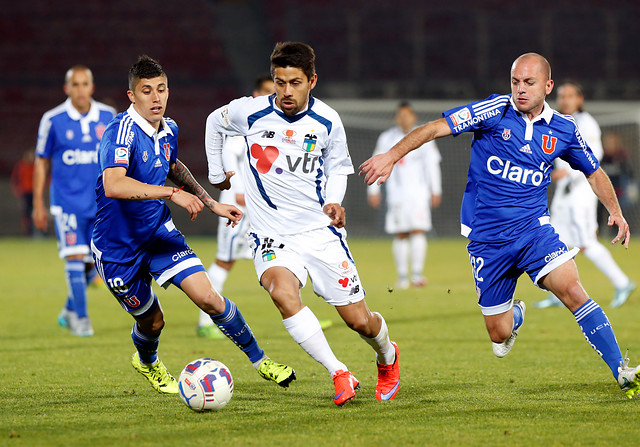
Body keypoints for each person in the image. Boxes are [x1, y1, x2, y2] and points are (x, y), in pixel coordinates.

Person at [360, 53, 640, 398]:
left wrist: (615, 210)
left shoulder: (565, 129)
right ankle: (515, 316)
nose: (520, 90)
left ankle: (622, 370)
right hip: (487, 239)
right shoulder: (493, 111)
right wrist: (390, 156)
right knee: (498, 334)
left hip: (533, 230)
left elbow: (594, 171)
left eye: (529, 83)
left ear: (547, 86)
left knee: (571, 288)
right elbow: (434, 128)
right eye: (515, 82)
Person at [206, 42, 400, 405]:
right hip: (270, 233)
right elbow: (213, 122)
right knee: (281, 292)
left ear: (312, 80)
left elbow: (339, 167)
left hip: (318, 233)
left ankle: (387, 355)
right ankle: (339, 372)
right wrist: (218, 174)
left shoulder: (327, 120)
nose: (285, 92)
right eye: (279, 83)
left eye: (294, 83)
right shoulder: (250, 112)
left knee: (359, 321)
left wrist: (333, 201)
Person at [91, 55, 295, 394]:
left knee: (210, 299)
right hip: (117, 247)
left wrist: (212, 203)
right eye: (146, 91)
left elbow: (172, 165)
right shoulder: (120, 132)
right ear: (132, 96)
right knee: (152, 321)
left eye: (161, 89)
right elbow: (114, 185)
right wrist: (172, 194)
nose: (156, 98)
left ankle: (261, 361)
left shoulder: (168, 128)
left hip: (158, 235)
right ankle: (148, 363)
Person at [198, 74, 333, 339]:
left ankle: (301, 312)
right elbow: (229, 156)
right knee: (225, 260)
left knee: (292, 258)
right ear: (255, 94)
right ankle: (205, 321)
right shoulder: (244, 125)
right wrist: (238, 192)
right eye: (268, 91)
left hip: (265, 209)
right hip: (239, 207)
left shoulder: (274, 128)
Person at [535, 81, 635, 309]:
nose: (565, 100)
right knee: (556, 240)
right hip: (564, 193)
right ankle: (558, 291)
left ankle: (622, 283)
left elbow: (593, 158)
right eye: (561, 96)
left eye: (570, 96)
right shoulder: (559, 121)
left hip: (581, 192)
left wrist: (565, 173)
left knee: (586, 242)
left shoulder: (587, 124)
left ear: (580, 99)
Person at [33, 65, 116, 336]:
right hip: (67, 204)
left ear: (92, 87)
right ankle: (81, 319)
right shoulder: (52, 119)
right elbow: (41, 162)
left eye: (85, 84)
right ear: (66, 88)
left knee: (97, 264)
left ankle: (69, 309)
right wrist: (38, 203)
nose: (80, 89)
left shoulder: (108, 115)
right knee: (74, 258)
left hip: (100, 204)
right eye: (75, 84)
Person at [367, 101, 442, 289]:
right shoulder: (386, 138)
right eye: (400, 115)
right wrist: (373, 190)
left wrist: (436, 190)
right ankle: (402, 277)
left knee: (418, 230)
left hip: (419, 194)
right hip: (396, 195)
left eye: (407, 114)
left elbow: (432, 165)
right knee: (400, 234)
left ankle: (417, 275)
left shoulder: (423, 135)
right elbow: (376, 163)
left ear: (414, 116)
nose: (404, 118)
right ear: (396, 118)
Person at [11, 148, 36, 237]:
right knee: (26, 212)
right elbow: (15, 179)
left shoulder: (35, 166)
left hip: (34, 192)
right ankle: (28, 231)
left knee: (34, 212)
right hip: (25, 192)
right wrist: (17, 191)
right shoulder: (20, 166)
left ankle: (38, 231)